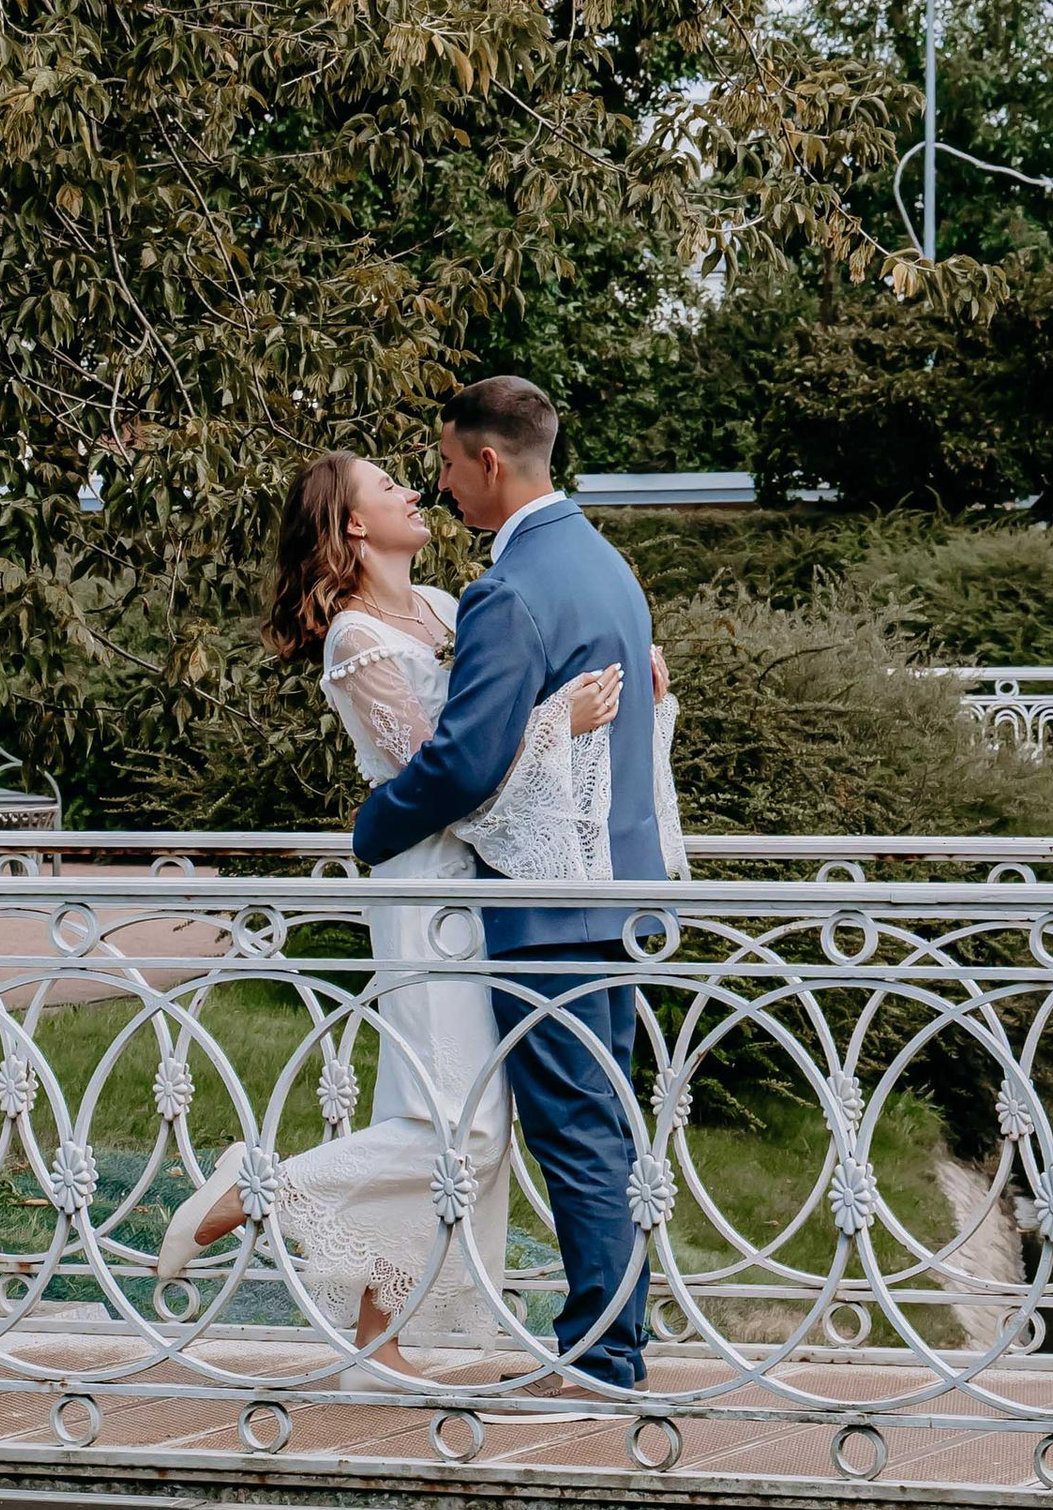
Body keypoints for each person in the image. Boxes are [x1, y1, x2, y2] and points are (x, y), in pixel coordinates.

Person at [153, 449, 647, 1369]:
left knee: (440, 1107)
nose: (414, 490)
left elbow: (498, 718)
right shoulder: (354, 638)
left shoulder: (448, 608)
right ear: (352, 523)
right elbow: (445, 774)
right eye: (387, 487)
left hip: (484, 875)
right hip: (426, 884)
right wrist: (557, 723)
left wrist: (615, 680)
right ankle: (255, 1192)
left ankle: (377, 1337)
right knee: (464, 1127)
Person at [353, 373, 679, 1396]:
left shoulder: (510, 590)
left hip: (546, 906)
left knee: (575, 1131)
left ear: (488, 461)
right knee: (601, 1124)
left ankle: (600, 1361)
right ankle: (614, 1346)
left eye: (449, 465)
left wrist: (371, 829)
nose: (441, 485)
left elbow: (464, 762)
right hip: (614, 889)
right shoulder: (604, 565)